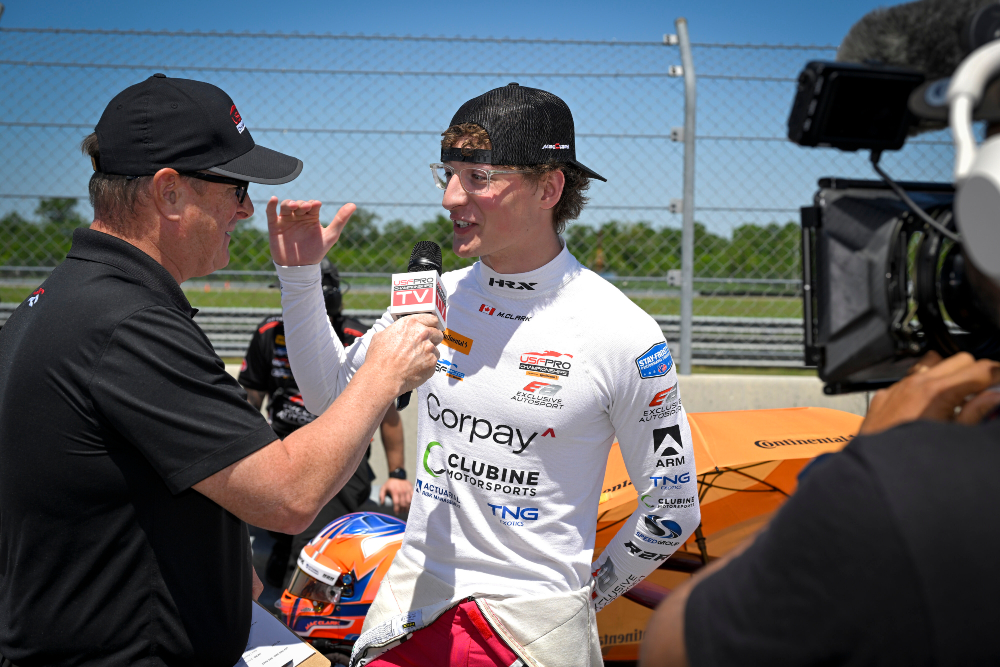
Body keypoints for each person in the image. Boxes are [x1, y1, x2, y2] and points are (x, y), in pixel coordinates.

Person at [0, 74, 441, 667]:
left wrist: (217, 563)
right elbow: (288, 496)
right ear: (170, 192)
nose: (246, 208)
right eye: (235, 187)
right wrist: (383, 372)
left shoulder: (65, 298)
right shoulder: (127, 323)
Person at [270, 83, 701, 667]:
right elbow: (331, 397)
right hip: (409, 614)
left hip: (531, 636)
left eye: (478, 176)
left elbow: (673, 506)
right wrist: (299, 279)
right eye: (447, 173)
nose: (450, 197)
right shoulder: (432, 298)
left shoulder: (624, 332)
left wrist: (578, 604)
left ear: (550, 187)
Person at [238, 258, 412, 588]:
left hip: (344, 448)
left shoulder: (358, 335)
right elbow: (250, 402)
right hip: (280, 443)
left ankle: (298, 594)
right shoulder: (267, 334)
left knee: (317, 493)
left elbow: (388, 414)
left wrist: (398, 475)